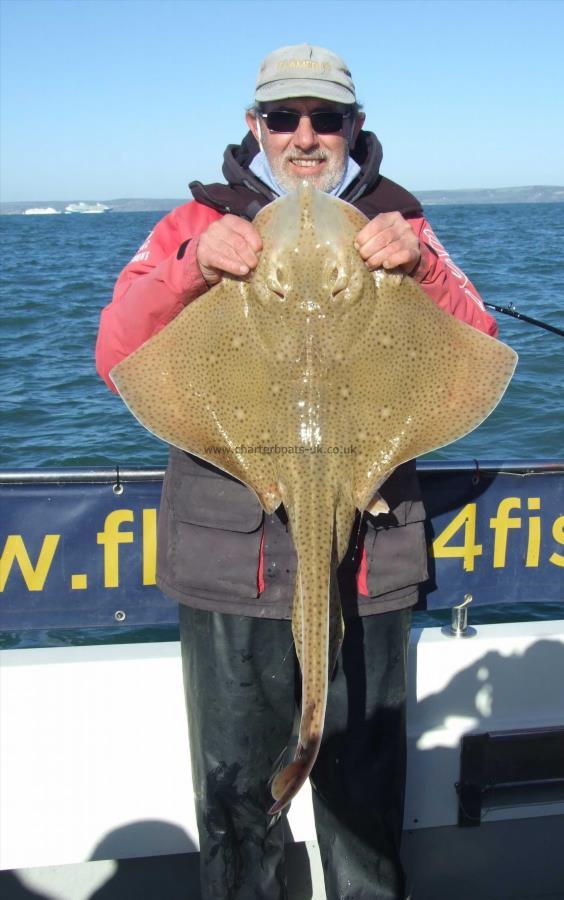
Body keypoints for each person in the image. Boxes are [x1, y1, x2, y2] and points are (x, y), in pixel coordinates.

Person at [96, 44, 498, 900]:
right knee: (241, 817)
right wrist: (194, 270)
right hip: (231, 570)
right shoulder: (190, 224)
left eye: (326, 118)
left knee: (364, 815)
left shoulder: (402, 223)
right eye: (285, 117)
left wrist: (421, 270)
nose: (305, 136)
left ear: (355, 127)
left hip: (373, 561)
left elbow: (482, 345)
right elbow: (117, 350)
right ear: (256, 126)